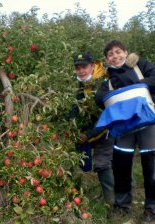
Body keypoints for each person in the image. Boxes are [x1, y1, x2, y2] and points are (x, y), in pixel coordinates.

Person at [95, 40, 155, 223]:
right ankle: (122, 206)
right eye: (111, 54)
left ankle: (151, 209)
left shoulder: (141, 66)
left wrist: (129, 87)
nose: (115, 56)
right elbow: (99, 98)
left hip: (148, 124)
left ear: (126, 52)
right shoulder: (108, 80)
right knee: (121, 166)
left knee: (151, 167)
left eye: (118, 52)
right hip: (124, 128)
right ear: (107, 59)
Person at [70, 53, 114, 204]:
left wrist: (88, 135)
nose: (81, 71)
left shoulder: (102, 83)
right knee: (83, 161)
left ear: (92, 66)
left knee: (103, 164)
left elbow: (107, 117)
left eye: (84, 67)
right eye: (77, 68)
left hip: (104, 131)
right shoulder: (80, 85)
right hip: (88, 130)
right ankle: (104, 196)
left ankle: (111, 202)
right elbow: (76, 108)